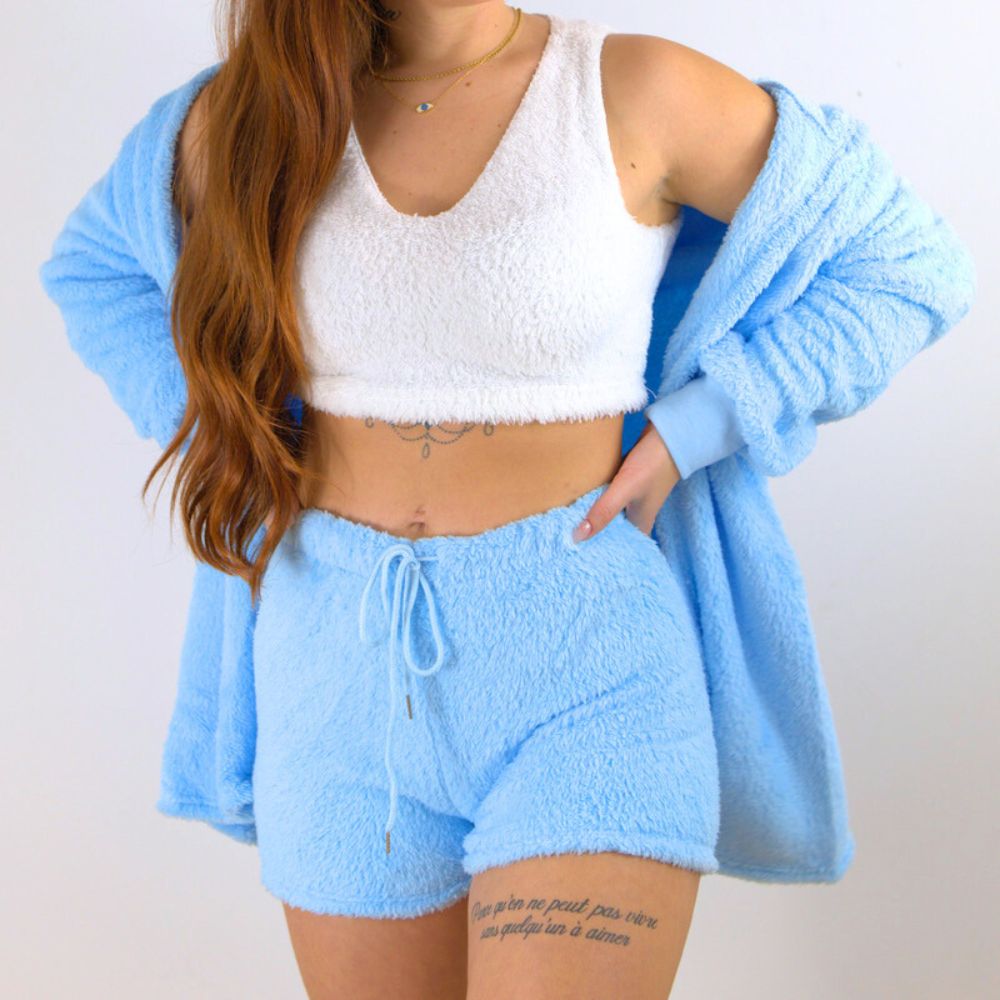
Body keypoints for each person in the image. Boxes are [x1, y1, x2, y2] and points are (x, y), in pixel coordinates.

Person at [37, 2, 977, 998]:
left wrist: (701, 424)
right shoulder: (250, 116)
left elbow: (908, 264)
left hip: (584, 671)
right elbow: (95, 270)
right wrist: (236, 441)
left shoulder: (633, 90)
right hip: (331, 684)